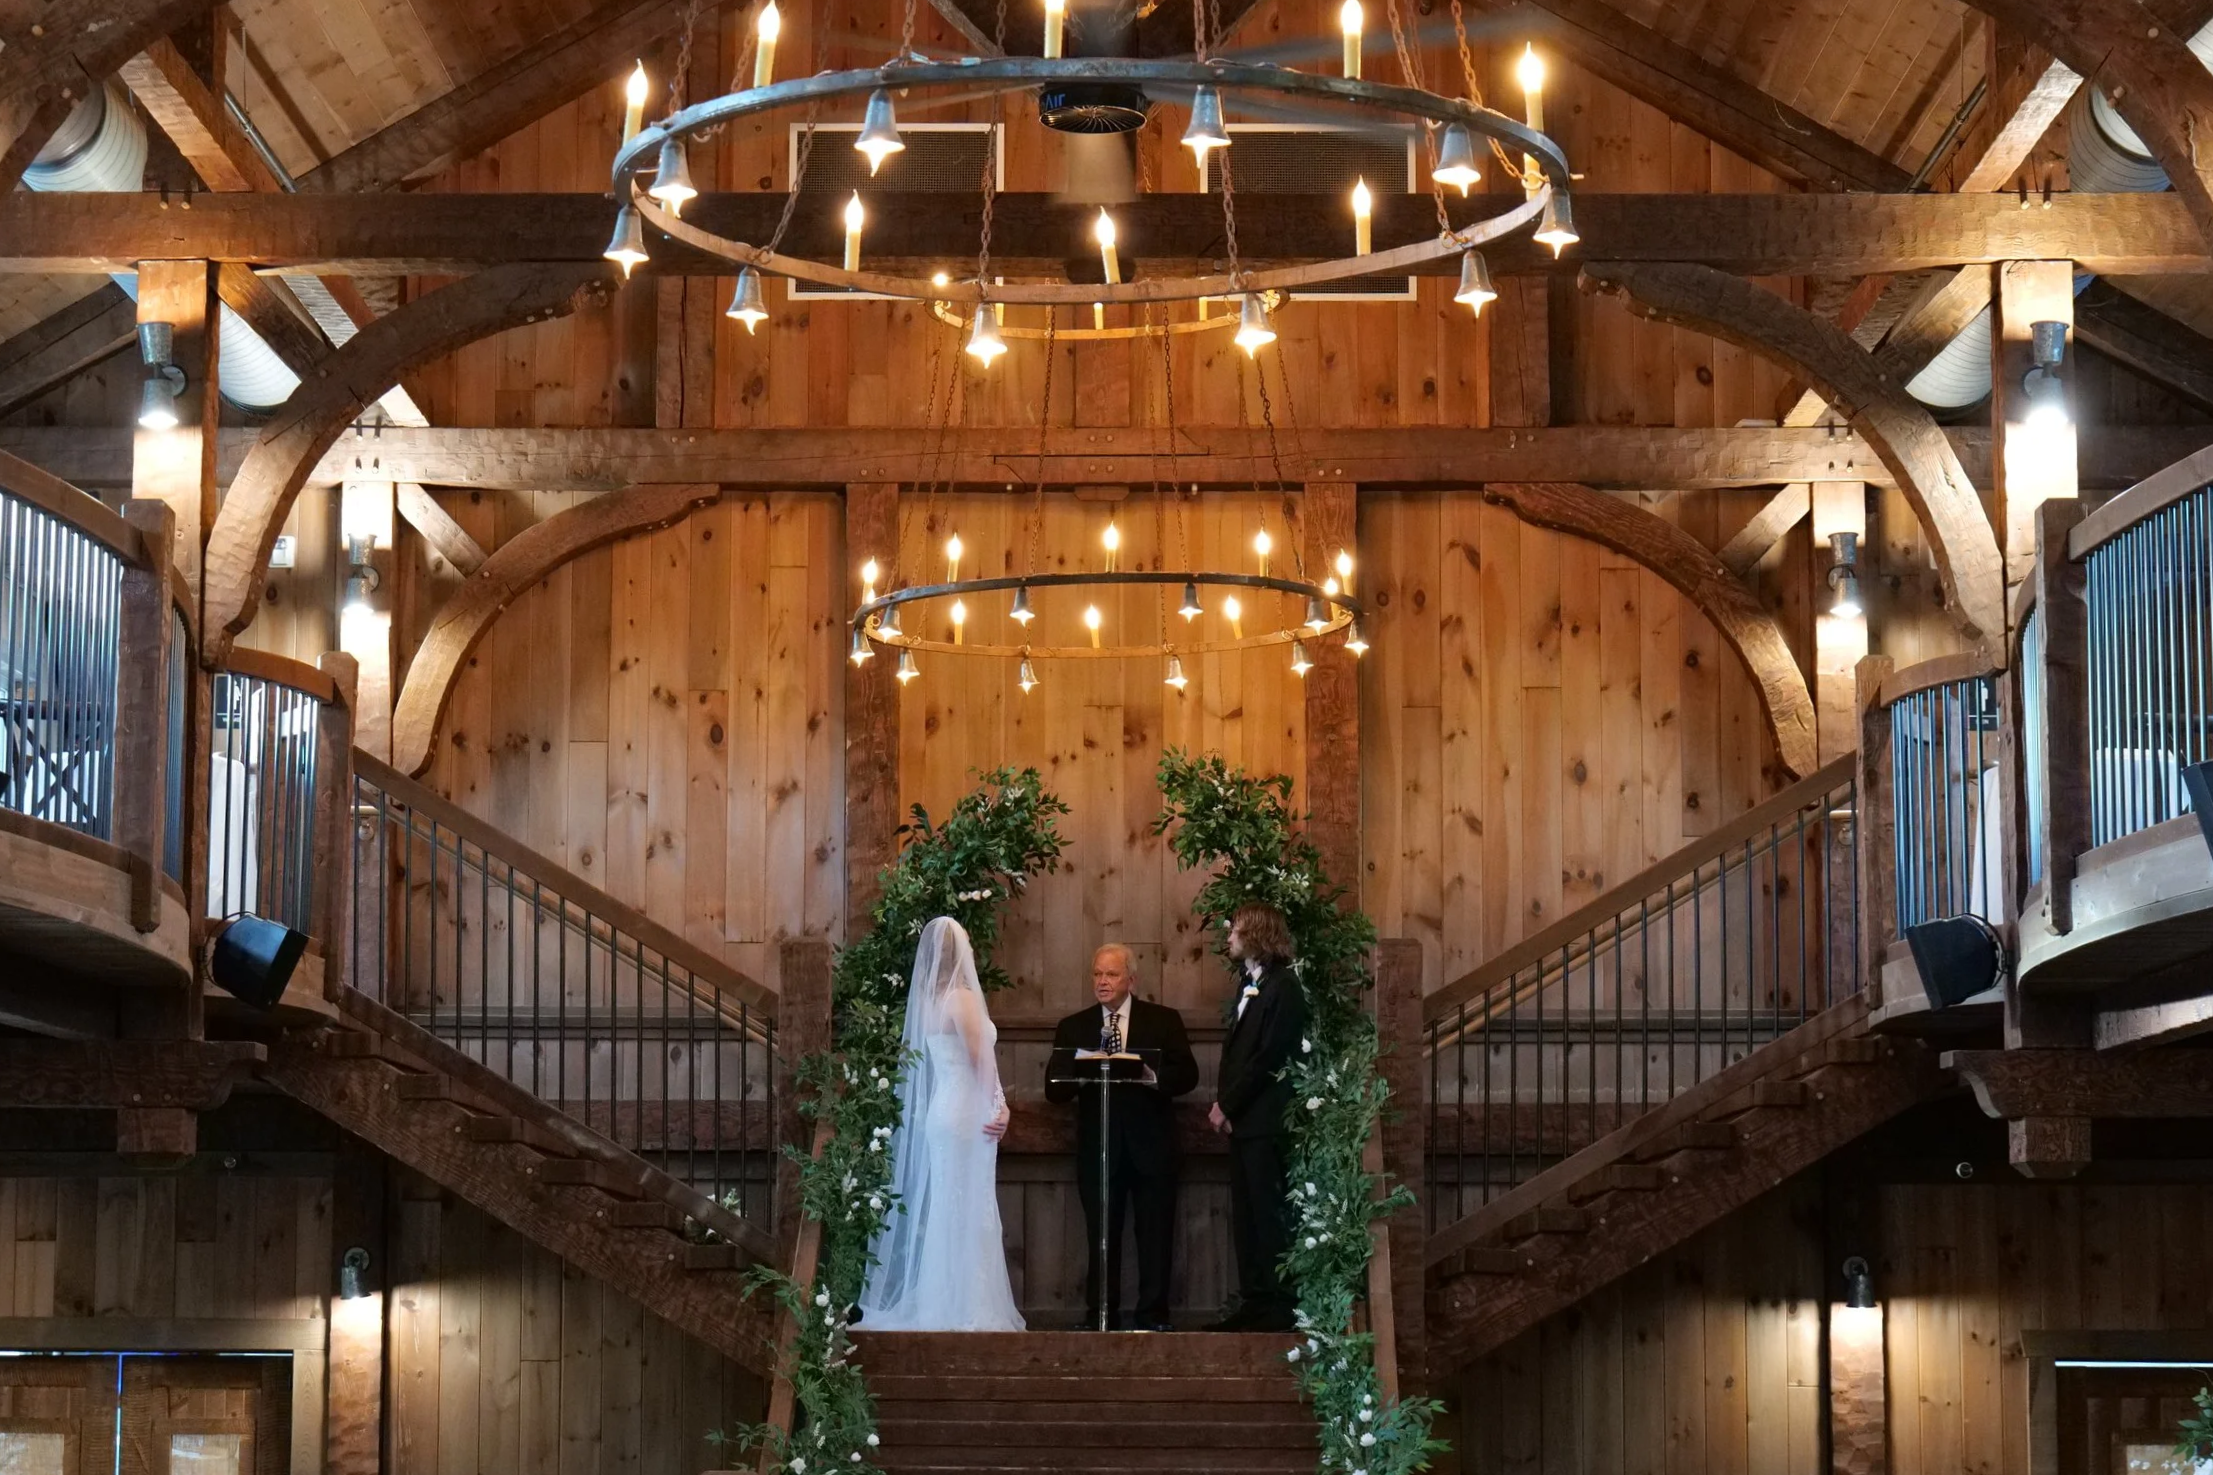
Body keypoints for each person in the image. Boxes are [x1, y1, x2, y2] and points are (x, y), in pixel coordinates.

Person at [856, 917, 1025, 1331]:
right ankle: (970, 1307)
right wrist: (1001, 1106)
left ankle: (942, 1300)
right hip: (967, 1110)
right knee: (971, 1207)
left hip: (943, 1111)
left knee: (951, 1208)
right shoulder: (962, 999)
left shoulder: (931, 1000)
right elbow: (978, 1059)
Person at [1044, 943, 1199, 1331]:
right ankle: (1100, 1317)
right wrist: (1083, 1068)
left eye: (1111, 974)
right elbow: (1053, 1087)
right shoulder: (1074, 1026)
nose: (1102, 982)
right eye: (1097, 974)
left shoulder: (1163, 1021)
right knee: (1101, 1237)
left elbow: (1189, 1076)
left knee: (1155, 1236)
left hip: (1152, 1147)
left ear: (1131, 979)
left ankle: (1153, 1317)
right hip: (1099, 1148)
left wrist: (1151, 1076)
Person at [1205, 903, 1305, 1333]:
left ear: (1257, 934)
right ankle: (1255, 1299)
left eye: (1236, 930)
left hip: (1265, 1122)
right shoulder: (1251, 985)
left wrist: (1228, 1105)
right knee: (1245, 1215)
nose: (1229, 937)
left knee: (1267, 1212)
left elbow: (1268, 1057)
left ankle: (1280, 1304)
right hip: (1246, 1123)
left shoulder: (1285, 988)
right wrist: (1228, 1107)